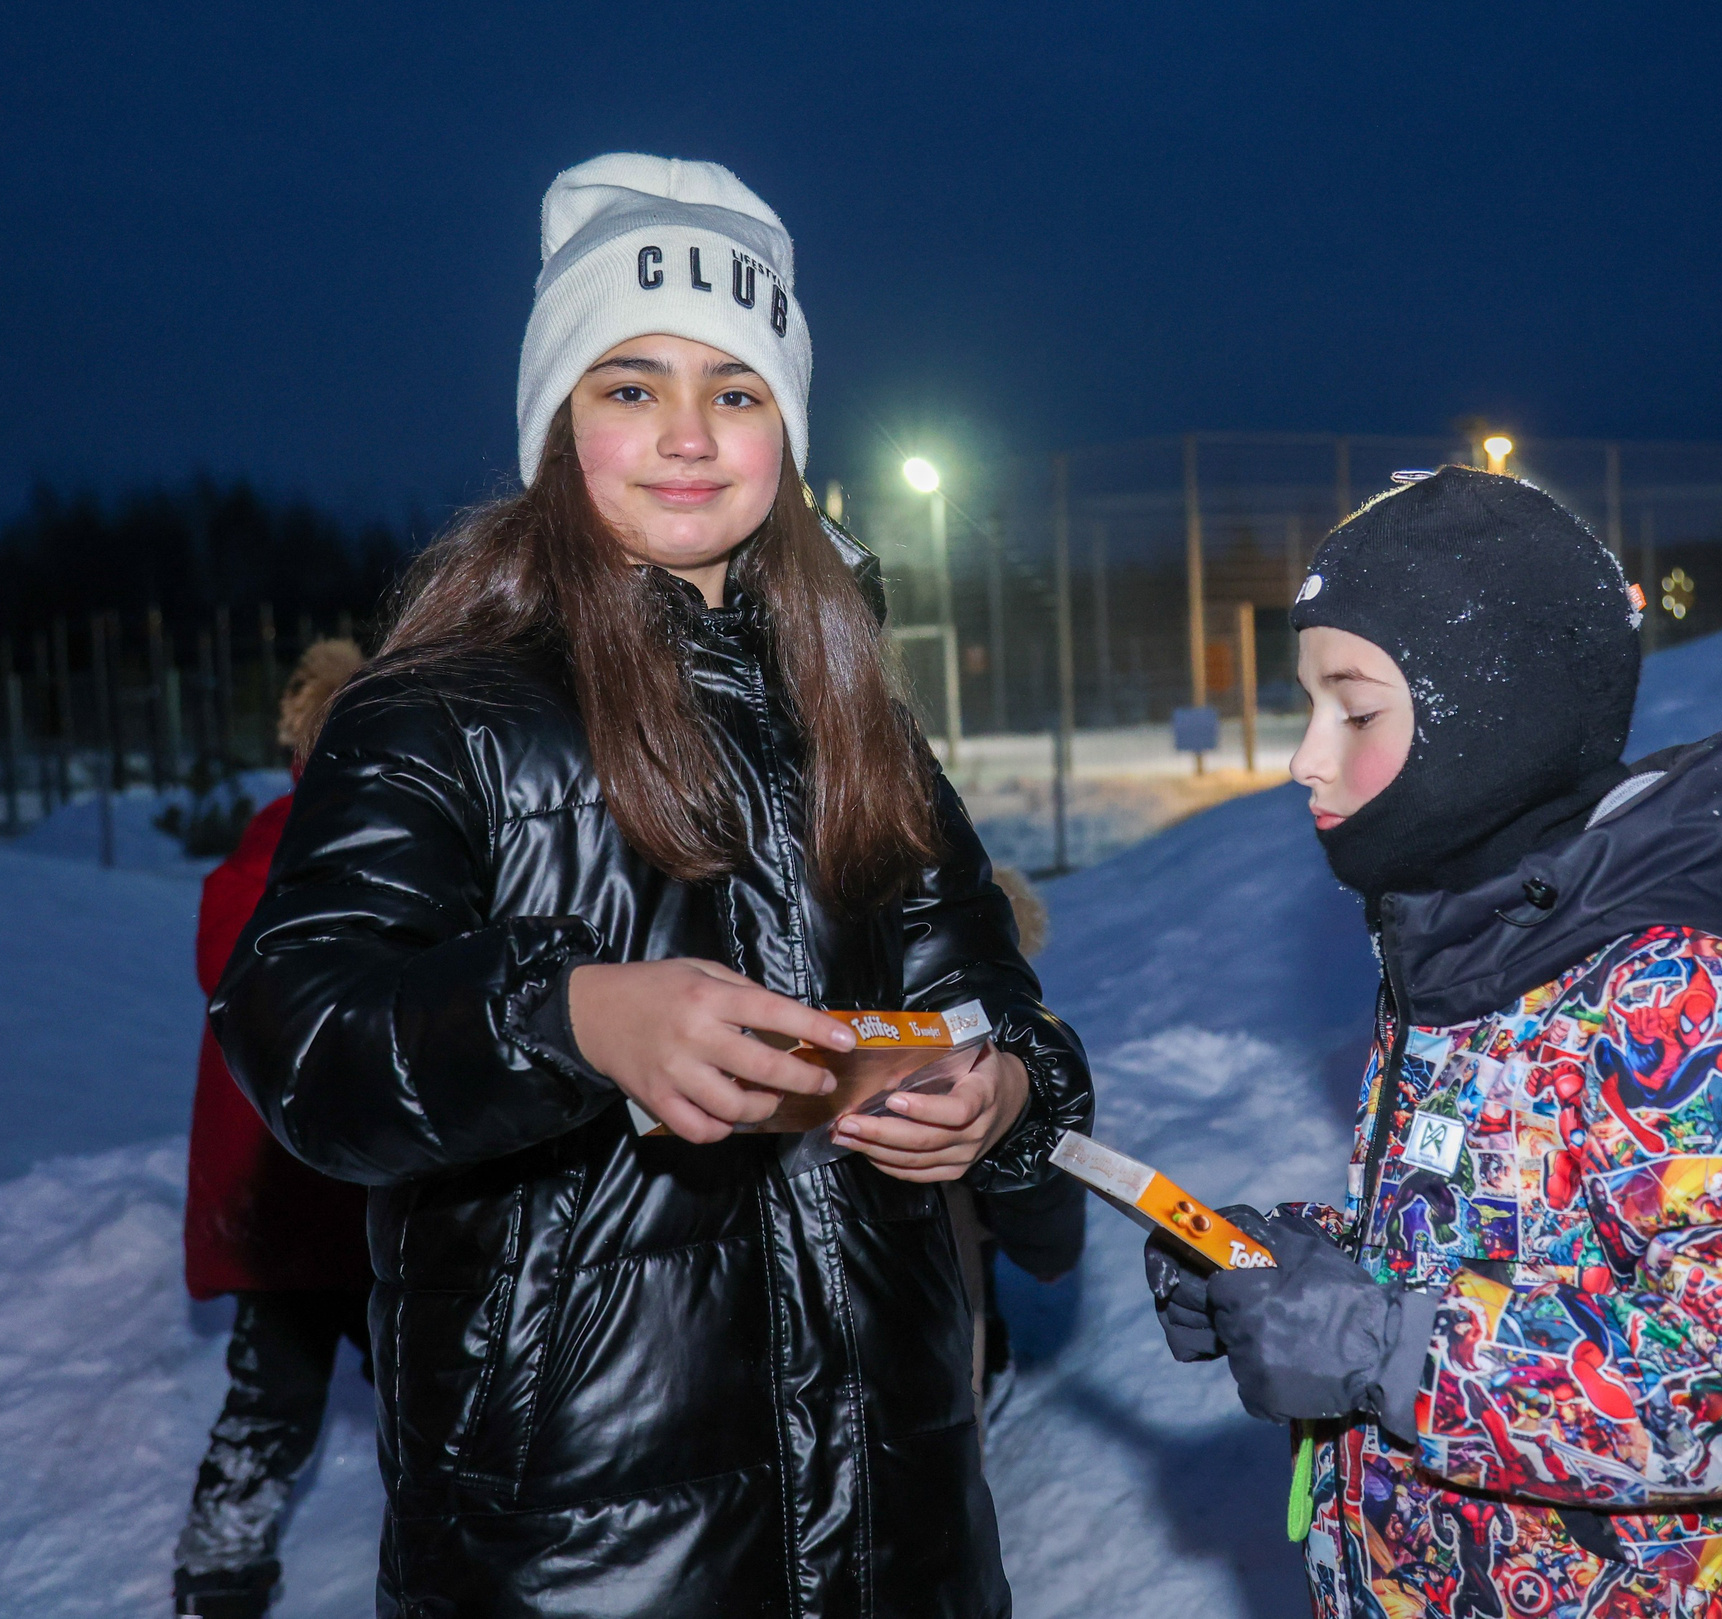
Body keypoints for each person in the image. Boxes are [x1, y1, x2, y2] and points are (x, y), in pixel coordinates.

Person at [210, 153, 1092, 1619]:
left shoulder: (855, 713)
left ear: (789, 431)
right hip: (583, 1545)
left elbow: (998, 1001)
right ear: (558, 416)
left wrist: (998, 1093)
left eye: (736, 391)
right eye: (631, 385)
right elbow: (296, 1027)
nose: (688, 434)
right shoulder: (439, 712)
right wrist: (568, 1017)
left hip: (898, 1521)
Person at [1145, 470, 1722, 1617]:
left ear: (1494, 716)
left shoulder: (1682, 994)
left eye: (1355, 708)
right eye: (1306, 705)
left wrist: (1377, 1347)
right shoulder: (1467, 945)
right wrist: (1287, 1272)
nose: (1304, 757)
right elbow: (1497, 1248)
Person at [175, 636, 371, 1619]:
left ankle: (220, 1575)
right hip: (320, 1198)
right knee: (424, 1401)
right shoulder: (294, 857)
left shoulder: (267, 856)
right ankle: (221, 1574)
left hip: (329, 1201)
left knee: (282, 1407)